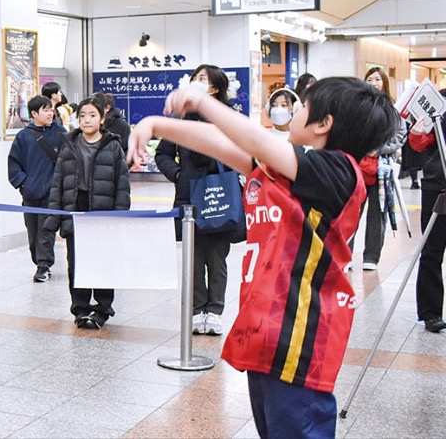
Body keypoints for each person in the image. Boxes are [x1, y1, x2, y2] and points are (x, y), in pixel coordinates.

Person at [127, 77, 397, 437]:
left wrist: (202, 102)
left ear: (323, 124)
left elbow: (255, 140)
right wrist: (157, 125)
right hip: (269, 330)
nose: (289, 111)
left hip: (300, 338)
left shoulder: (338, 171)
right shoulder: (289, 170)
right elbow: (224, 146)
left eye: (300, 107)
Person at [154, 64, 241, 336]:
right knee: (193, 257)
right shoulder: (182, 117)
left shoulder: (229, 118)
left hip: (219, 195)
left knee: (217, 259)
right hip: (189, 195)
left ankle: (214, 311)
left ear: (215, 87)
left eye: (202, 79)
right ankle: (196, 310)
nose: (196, 82)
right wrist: (178, 174)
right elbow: (162, 154)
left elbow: (244, 152)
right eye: (195, 78)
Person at [49, 97, 131, 329]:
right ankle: (81, 309)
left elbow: (122, 184)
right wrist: (54, 218)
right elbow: (58, 182)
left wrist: (119, 216)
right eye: (82, 115)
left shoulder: (112, 145)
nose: (86, 119)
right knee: (76, 263)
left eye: (92, 115)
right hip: (76, 209)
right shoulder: (69, 144)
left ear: (102, 119)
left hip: (103, 211)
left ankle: (103, 308)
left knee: (103, 261)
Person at [7, 95, 66, 282]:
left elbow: (69, 161)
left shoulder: (60, 133)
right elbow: (13, 164)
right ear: (34, 113)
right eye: (46, 110)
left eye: (51, 110)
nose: (50, 113)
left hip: (52, 194)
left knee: (46, 231)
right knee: (33, 233)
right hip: (30, 194)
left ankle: (44, 265)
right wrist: (23, 184)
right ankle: (39, 262)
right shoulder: (24, 136)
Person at [357, 67, 406, 270]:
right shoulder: (357, 107)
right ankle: (343, 255)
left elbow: (400, 135)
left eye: (377, 79)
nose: (373, 82)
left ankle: (371, 257)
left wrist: (380, 149)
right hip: (358, 168)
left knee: (378, 213)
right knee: (351, 212)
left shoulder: (392, 109)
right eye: (370, 79)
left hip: (382, 170)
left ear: (384, 82)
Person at [408, 92, 446, 334]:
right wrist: (418, 133)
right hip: (437, 182)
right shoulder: (436, 100)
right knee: (431, 251)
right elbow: (419, 143)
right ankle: (431, 313)